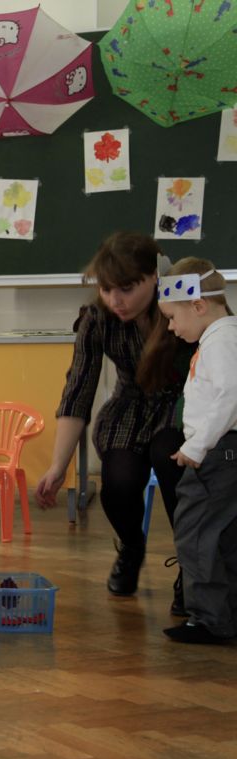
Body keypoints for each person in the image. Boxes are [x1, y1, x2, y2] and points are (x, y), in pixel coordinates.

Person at [34, 233, 193, 606]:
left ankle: (193, 568)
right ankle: (131, 547)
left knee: (170, 460)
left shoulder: (184, 303)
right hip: (130, 406)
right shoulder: (97, 319)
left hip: (182, 404)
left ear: (154, 276)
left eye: (127, 288)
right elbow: (78, 392)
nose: (115, 300)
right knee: (118, 481)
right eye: (106, 289)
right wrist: (57, 466)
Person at [154, 260, 237, 643]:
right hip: (224, 452)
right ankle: (226, 616)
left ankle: (208, 620)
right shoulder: (224, 337)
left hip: (216, 453)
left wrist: (197, 447)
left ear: (198, 305)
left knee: (195, 533)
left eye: (172, 317)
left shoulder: (221, 342)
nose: (171, 327)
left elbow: (230, 395)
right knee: (224, 536)